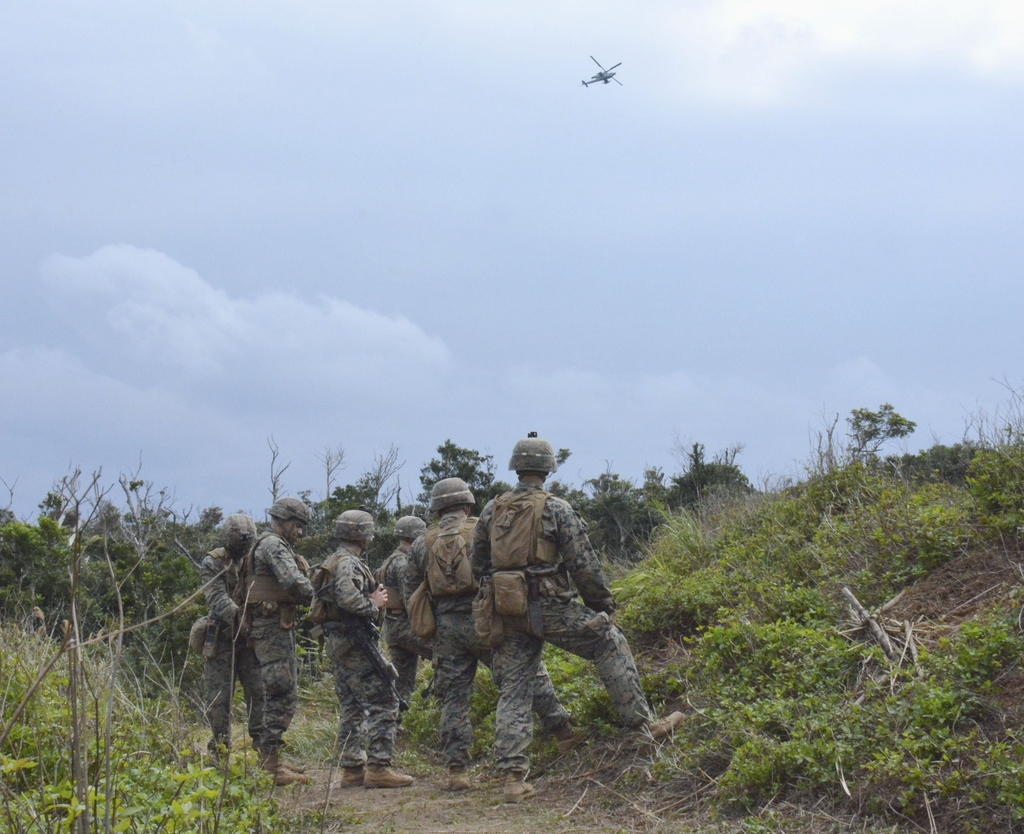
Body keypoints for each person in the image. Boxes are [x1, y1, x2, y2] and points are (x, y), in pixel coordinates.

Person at [472, 435, 684, 803]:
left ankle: (512, 779)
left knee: (515, 688)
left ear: (517, 467)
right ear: (548, 468)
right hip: (551, 607)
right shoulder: (557, 508)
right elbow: (583, 564)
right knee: (608, 641)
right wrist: (602, 605)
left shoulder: (492, 509)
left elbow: (478, 564)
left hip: (508, 611)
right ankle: (644, 726)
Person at [402, 478, 577, 793]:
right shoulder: (482, 528)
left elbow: (410, 591)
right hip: (487, 620)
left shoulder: (420, 543)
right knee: (521, 677)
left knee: (453, 699)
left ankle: (457, 772)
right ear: (467, 505)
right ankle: (564, 731)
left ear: (437, 509)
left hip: (444, 628)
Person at [318, 510, 414, 789]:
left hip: (340, 641)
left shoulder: (334, 560)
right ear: (363, 534)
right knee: (386, 698)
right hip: (355, 639)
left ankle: (352, 769)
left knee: (351, 704)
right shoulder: (348, 563)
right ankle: (378, 767)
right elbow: (347, 598)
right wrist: (374, 603)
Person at [241, 496, 314, 785]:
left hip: (272, 627)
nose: (300, 532)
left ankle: (272, 760)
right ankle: (270, 764)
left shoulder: (269, 544)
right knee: (281, 692)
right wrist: (321, 597)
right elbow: (294, 583)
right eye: (297, 526)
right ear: (283, 521)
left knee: (281, 691)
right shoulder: (273, 545)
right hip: (271, 629)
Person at [199, 513, 265, 760]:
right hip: (223, 639)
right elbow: (216, 598)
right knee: (218, 700)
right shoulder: (213, 562)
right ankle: (220, 754)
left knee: (259, 694)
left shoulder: (257, 559)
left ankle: (265, 755)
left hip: (250, 639)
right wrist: (241, 617)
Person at [375, 515, 432, 708]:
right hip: (405, 628)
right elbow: (412, 602)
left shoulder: (389, 561)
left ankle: (394, 719)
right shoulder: (404, 564)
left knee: (401, 681)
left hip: (393, 627)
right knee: (447, 653)